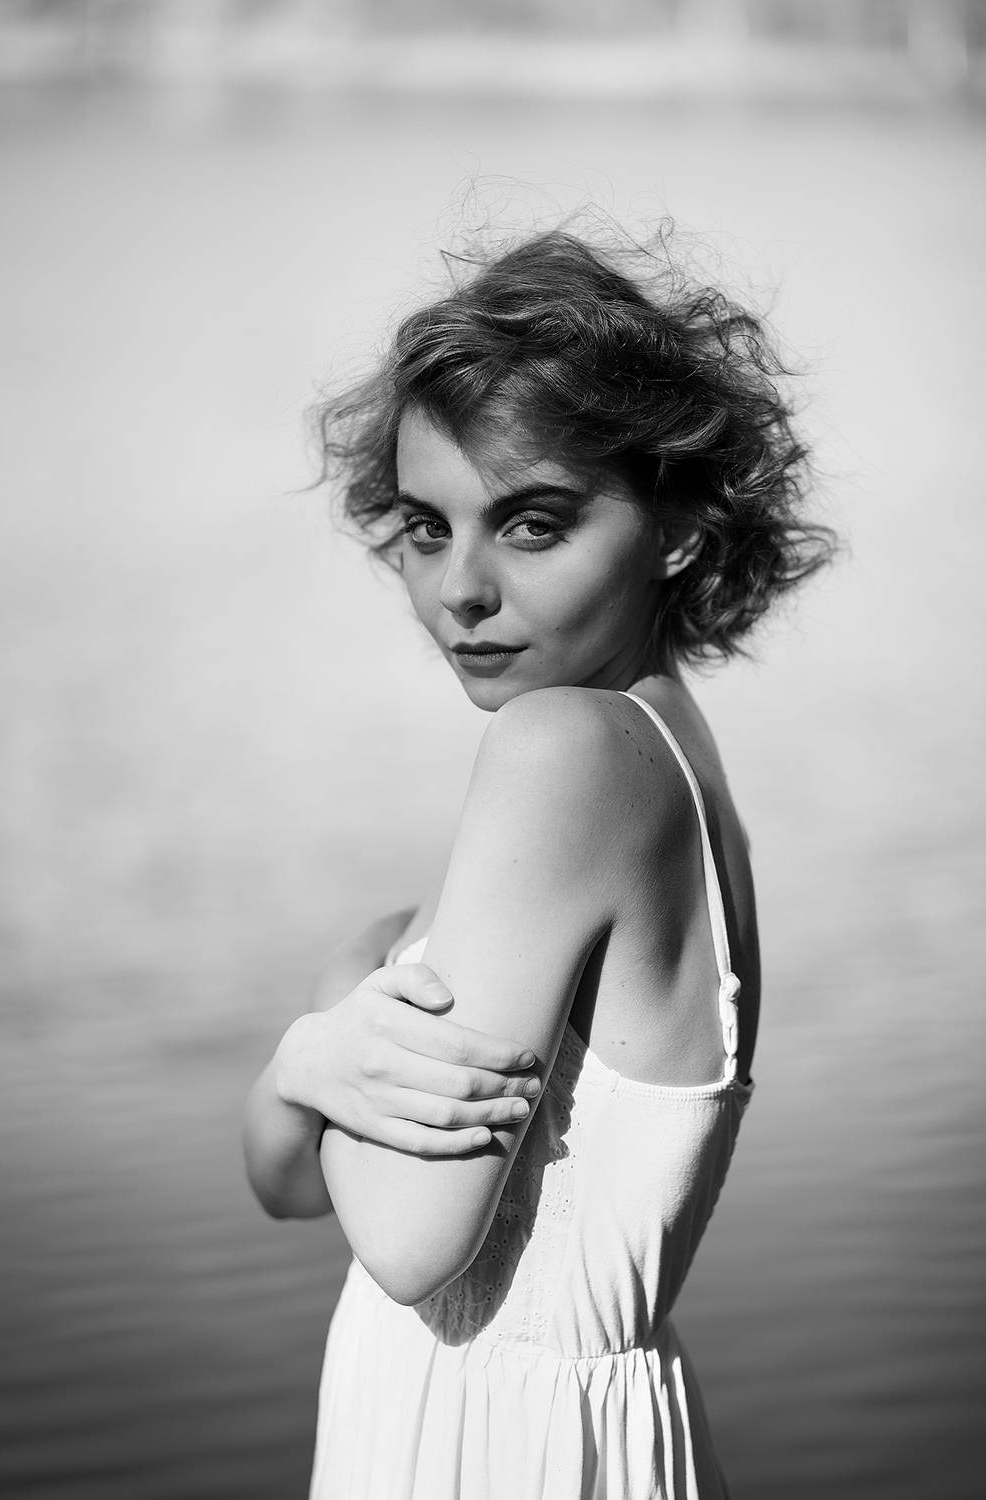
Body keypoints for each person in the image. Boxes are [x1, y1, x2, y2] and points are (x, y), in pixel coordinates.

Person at [243, 225, 834, 1499]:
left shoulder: (564, 749)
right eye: (424, 526)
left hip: (499, 1448)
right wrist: (324, 1059)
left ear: (675, 527)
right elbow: (286, 1187)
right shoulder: (669, 753)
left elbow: (407, 1241)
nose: (459, 589)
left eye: (531, 523)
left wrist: (312, 1044)